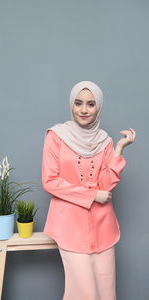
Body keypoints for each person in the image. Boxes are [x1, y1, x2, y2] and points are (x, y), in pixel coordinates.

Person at [41, 80, 136, 300]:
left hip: (104, 227)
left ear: (99, 107)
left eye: (91, 104)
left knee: (106, 294)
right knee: (84, 294)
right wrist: (92, 195)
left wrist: (119, 149)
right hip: (70, 228)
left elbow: (106, 184)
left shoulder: (105, 142)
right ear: (71, 105)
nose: (84, 110)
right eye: (78, 103)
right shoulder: (55, 137)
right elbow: (50, 181)